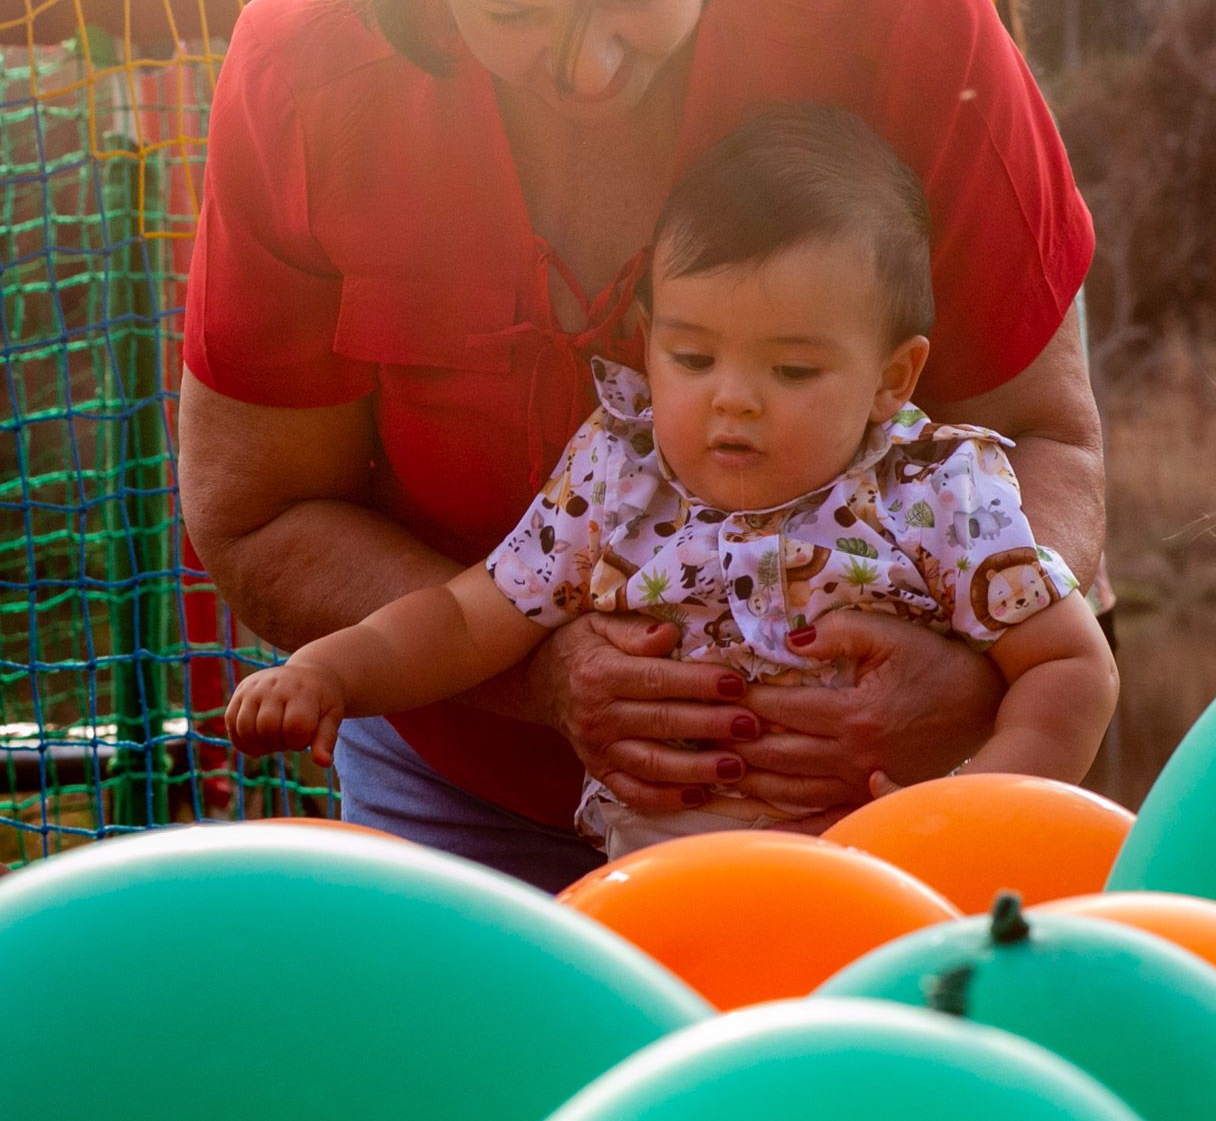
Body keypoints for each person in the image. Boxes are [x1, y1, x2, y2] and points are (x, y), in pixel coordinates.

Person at [179, 0, 1105, 893]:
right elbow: (257, 512)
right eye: (511, 16)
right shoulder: (301, 75)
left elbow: (1042, 436)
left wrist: (971, 692)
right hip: (459, 793)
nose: (589, 69)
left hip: (873, 805)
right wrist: (544, 673)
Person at [225, 107, 1118, 861]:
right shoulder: (616, 484)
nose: (733, 400)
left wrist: (977, 822)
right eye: (692, 356)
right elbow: (465, 619)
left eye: (794, 371)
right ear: (647, 342)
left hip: (877, 894)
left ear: (892, 378)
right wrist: (332, 670)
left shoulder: (936, 496)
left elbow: (1070, 664)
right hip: (659, 903)